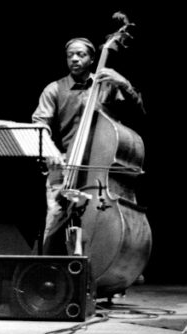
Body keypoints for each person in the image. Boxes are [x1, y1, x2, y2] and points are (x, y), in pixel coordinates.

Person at [31, 37, 145, 255]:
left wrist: (124, 84)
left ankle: (107, 271)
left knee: (106, 224)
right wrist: (51, 151)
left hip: (101, 170)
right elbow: (40, 125)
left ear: (93, 58)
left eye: (81, 55)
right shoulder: (54, 89)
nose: (74, 59)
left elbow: (139, 114)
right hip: (65, 166)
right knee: (53, 224)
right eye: (70, 55)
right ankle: (51, 277)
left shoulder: (108, 85)